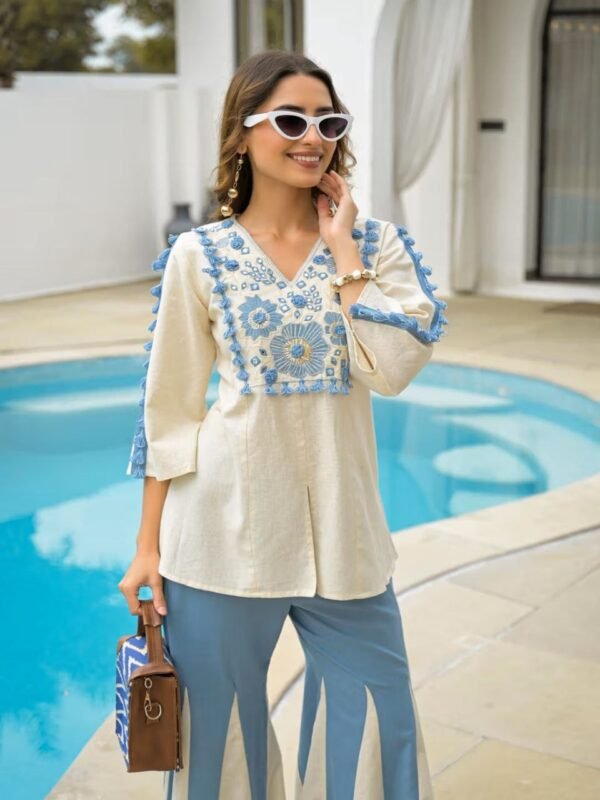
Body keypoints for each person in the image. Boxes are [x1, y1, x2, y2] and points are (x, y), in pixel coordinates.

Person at [118, 49, 448, 800]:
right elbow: (169, 410)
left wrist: (344, 250)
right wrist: (146, 549)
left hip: (347, 538)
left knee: (379, 720)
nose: (313, 138)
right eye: (291, 120)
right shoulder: (199, 256)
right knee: (218, 739)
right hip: (220, 539)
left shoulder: (378, 246)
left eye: (328, 122)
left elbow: (391, 369)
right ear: (242, 133)